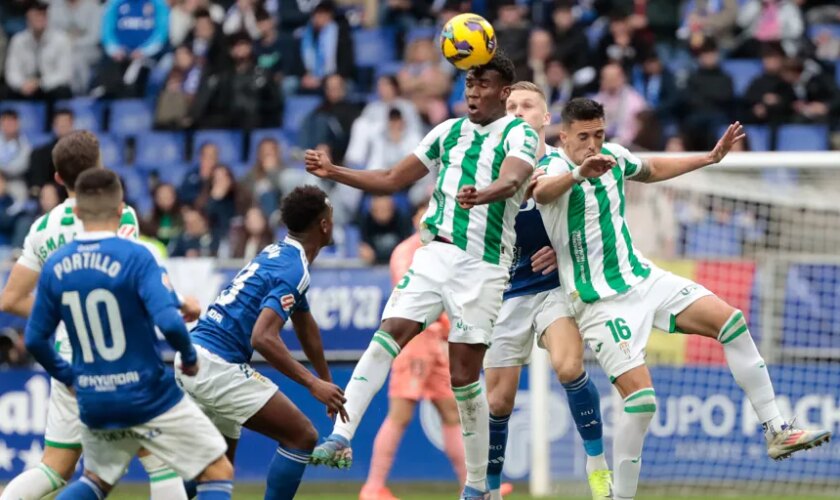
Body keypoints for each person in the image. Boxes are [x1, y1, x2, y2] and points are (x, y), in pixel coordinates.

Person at [531, 97, 831, 500]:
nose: (593, 144)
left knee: (732, 322)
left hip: (644, 279)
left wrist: (708, 158)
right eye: (583, 137)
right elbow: (545, 193)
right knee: (641, 405)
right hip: (599, 303)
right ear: (563, 136)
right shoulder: (553, 166)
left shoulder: (614, 157)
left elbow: (652, 168)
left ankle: (777, 430)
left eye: (599, 134)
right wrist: (579, 172)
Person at [305, 52, 538, 500]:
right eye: (469, 82)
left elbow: (513, 181)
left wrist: (482, 193)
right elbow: (393, 178)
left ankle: (476, 486)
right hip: (435, 253)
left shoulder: (519, 133)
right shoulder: (447, 132)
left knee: (465, 378)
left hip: (484, 265)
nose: (473, 91)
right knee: (388, 333)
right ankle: (341, 434)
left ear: (504, 92)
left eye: (484, 83)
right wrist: (334, 172)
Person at [0, 131, 200, 500]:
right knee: (162, 460)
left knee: (55, 467)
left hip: (68, 359)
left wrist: (63, 312)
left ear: (58, 178)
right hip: (118, 353)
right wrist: (177, 304)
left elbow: (10, 299)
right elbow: (132, 273)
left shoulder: (42, 229)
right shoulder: (119, 215)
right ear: (100, 168)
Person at [23, 168, 234, 500]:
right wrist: (190, 358)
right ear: (122, 209)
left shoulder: (56, 264)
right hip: (144, 392)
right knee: (217, 471)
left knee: (95, 481)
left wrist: (69, 377)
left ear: (77, 212)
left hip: (93, 395)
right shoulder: (138, 255)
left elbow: (35, 339)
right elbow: (168, 320)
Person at [173, 185, 348, 500]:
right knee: (302, 436)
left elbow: (305, 324)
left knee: (217, 470)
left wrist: (325, 379)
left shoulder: (277, 252)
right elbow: (263, 337)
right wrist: (312, 384)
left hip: (196, 354)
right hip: (217, 364)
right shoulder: (294, 268)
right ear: (324, 225)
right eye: (331, 218)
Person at [484, 82, 609, 500]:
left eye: (527, 106)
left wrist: (563, 251)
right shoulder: (486, 170)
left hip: (554, 288)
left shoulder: (560, 164)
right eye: (511, 107)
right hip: (505, 293)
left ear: (545, 118)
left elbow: (595, 224)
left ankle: (598, 471)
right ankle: (487, 488)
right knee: (499, 403)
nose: (519, 112)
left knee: (569, 368)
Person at [359, 200, 467, 500]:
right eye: (426, 212)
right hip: (415, 339)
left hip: (437, 342)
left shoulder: (442, 250)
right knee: (400, 413)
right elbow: (415, 298)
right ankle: (373, 486)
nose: (432, 217)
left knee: (450, 412)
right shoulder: (408, 251)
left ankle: (470, 487)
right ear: (417, 217)